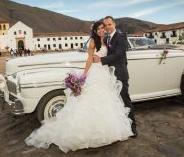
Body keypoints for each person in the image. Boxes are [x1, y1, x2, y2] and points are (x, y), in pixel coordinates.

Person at [25, 21, 133, 153]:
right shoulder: (93, 42)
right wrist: (84, 75)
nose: (101, 30)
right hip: (96, 72)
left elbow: (114, 54)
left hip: (105, 73)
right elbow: (89, 59)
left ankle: (109, 131)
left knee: (107, 100)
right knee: (90, 101)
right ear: (94, 31)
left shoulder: (106, 40)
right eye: (98, 29)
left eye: (102, 28)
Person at [93, 16, 137, 137]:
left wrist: (100, 60)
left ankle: (133, 128)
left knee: (125, 100)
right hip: (109, 75)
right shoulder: (107, 38)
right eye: (105, 25)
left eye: (109, 24)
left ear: (114, 24)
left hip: (120, 74)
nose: (107, 27)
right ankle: (122, 126)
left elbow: (118, 55)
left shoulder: (121, 37)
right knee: (116, 103)